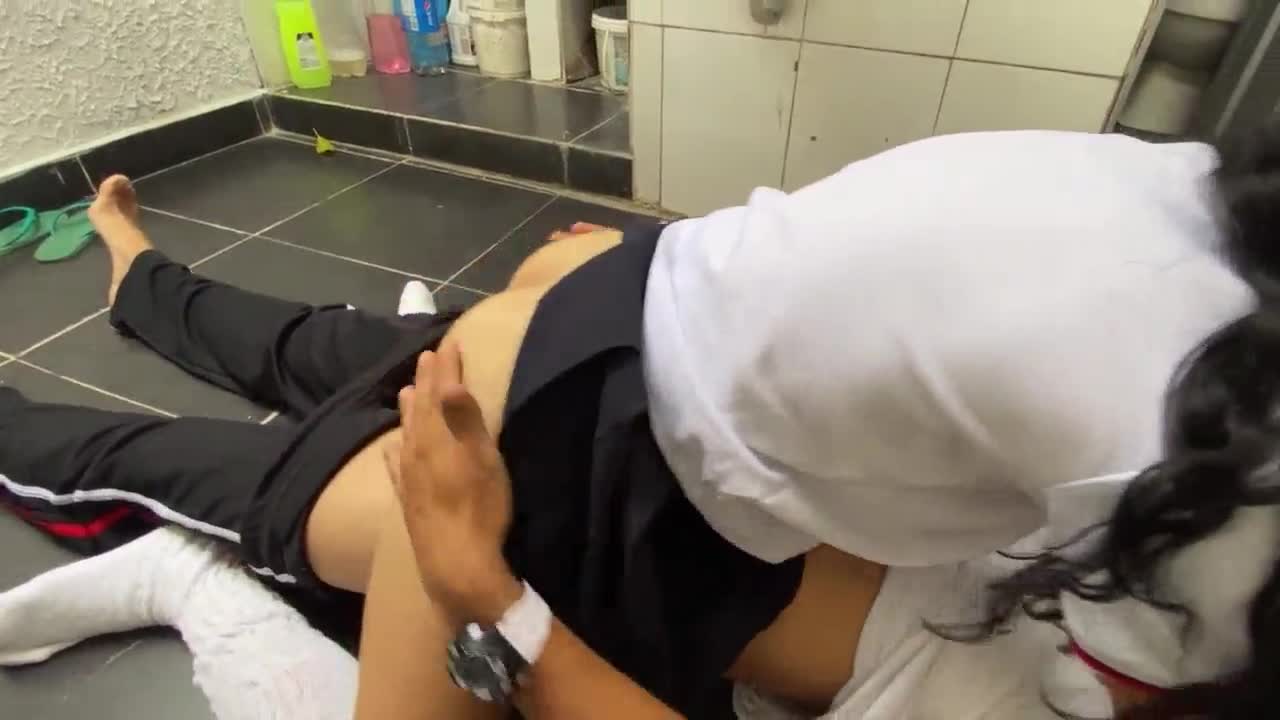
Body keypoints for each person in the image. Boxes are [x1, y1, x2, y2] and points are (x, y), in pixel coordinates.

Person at [2, 123, 1279, 720]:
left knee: (230, 448)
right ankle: (142, 282)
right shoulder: (1206, 471)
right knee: (311, 365)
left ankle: (166, 467)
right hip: (616, 380)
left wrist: (479, 587)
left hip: (609, 389)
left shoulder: (1204, 213)